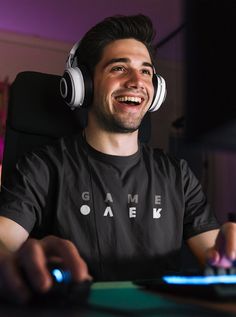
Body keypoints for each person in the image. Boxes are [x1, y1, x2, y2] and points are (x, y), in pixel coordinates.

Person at [0, 14, 235, 304]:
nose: (137, 81)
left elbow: (218, 260)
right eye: (119, 68)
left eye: (146, 72)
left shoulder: (179, 175)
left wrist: (228, 252)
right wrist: (17, 256)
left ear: (156, 91)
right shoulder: (42, 168)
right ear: (84, 84)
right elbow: (2, 242)